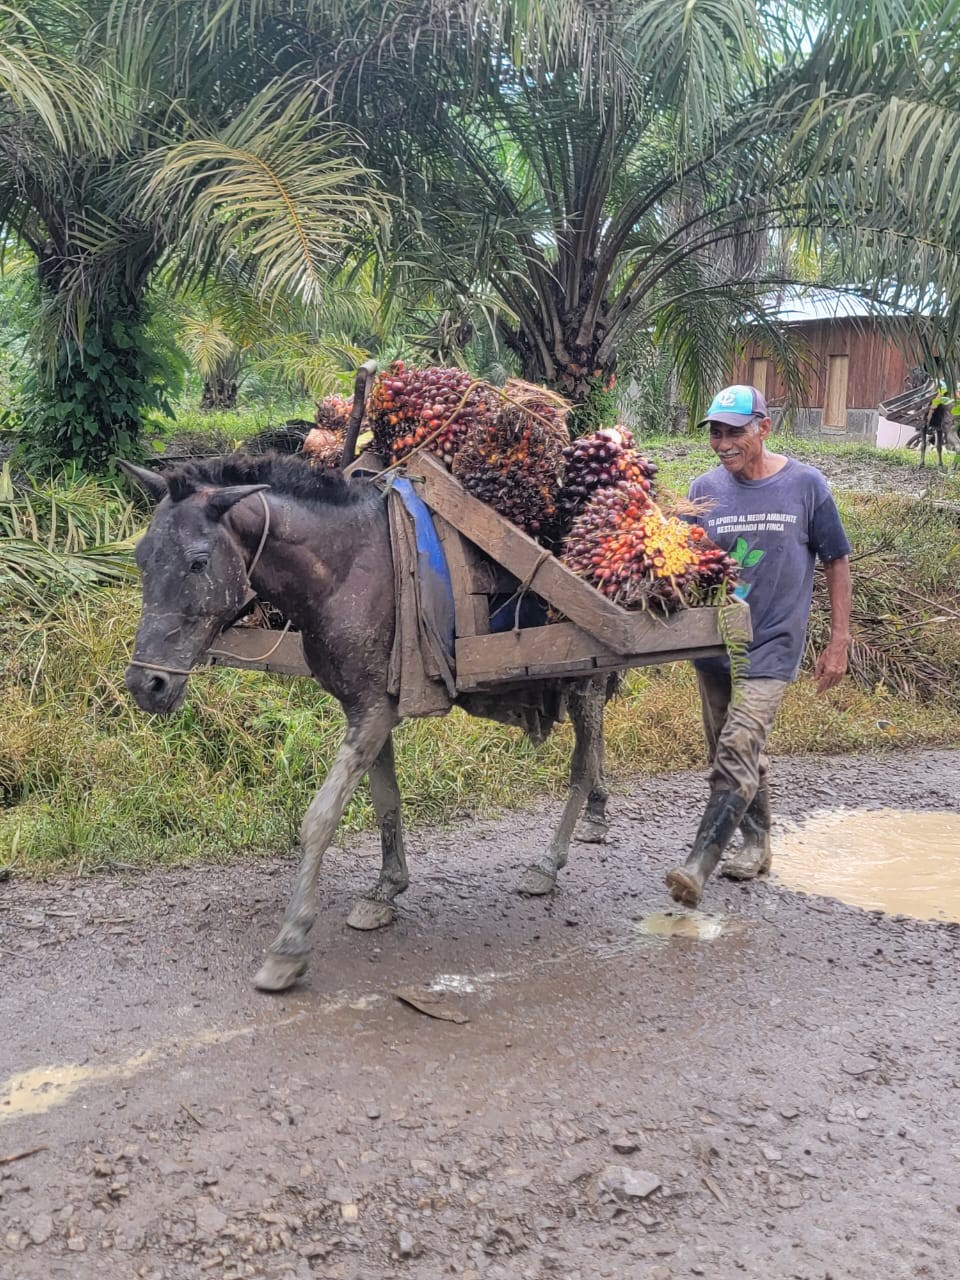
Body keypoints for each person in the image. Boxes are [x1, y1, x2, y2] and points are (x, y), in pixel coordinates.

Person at [665, 384, 852, 908]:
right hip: (714, 645)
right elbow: (680, 563)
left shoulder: (805, 485)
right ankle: (757, 841)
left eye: (734, 432)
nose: (723, 443)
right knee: (729, 746)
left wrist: (839, 641)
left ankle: (699, 865)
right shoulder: (703, 489)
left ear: (763, 428)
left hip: (773, 643)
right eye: (716, 433)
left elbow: (836, 559)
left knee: (737, 747)